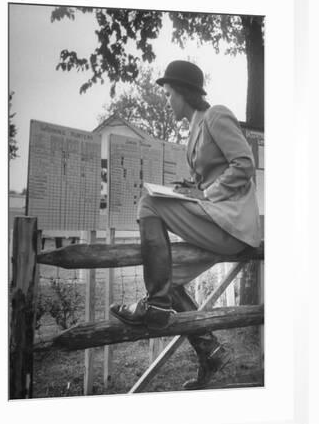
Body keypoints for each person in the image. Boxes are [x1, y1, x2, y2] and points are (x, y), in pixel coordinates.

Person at [110, 60, 261, 389]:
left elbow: (245, 164)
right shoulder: (194, 130)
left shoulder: (216, 115)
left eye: (168, 94)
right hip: (216, 220)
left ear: (183, 94)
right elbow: (208, 179)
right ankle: (211, 350)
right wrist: (189, 189)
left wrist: (206, 192)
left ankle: (157, 305)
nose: (167, 100)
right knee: (166, 277)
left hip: (232, 222)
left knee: (148, 203)